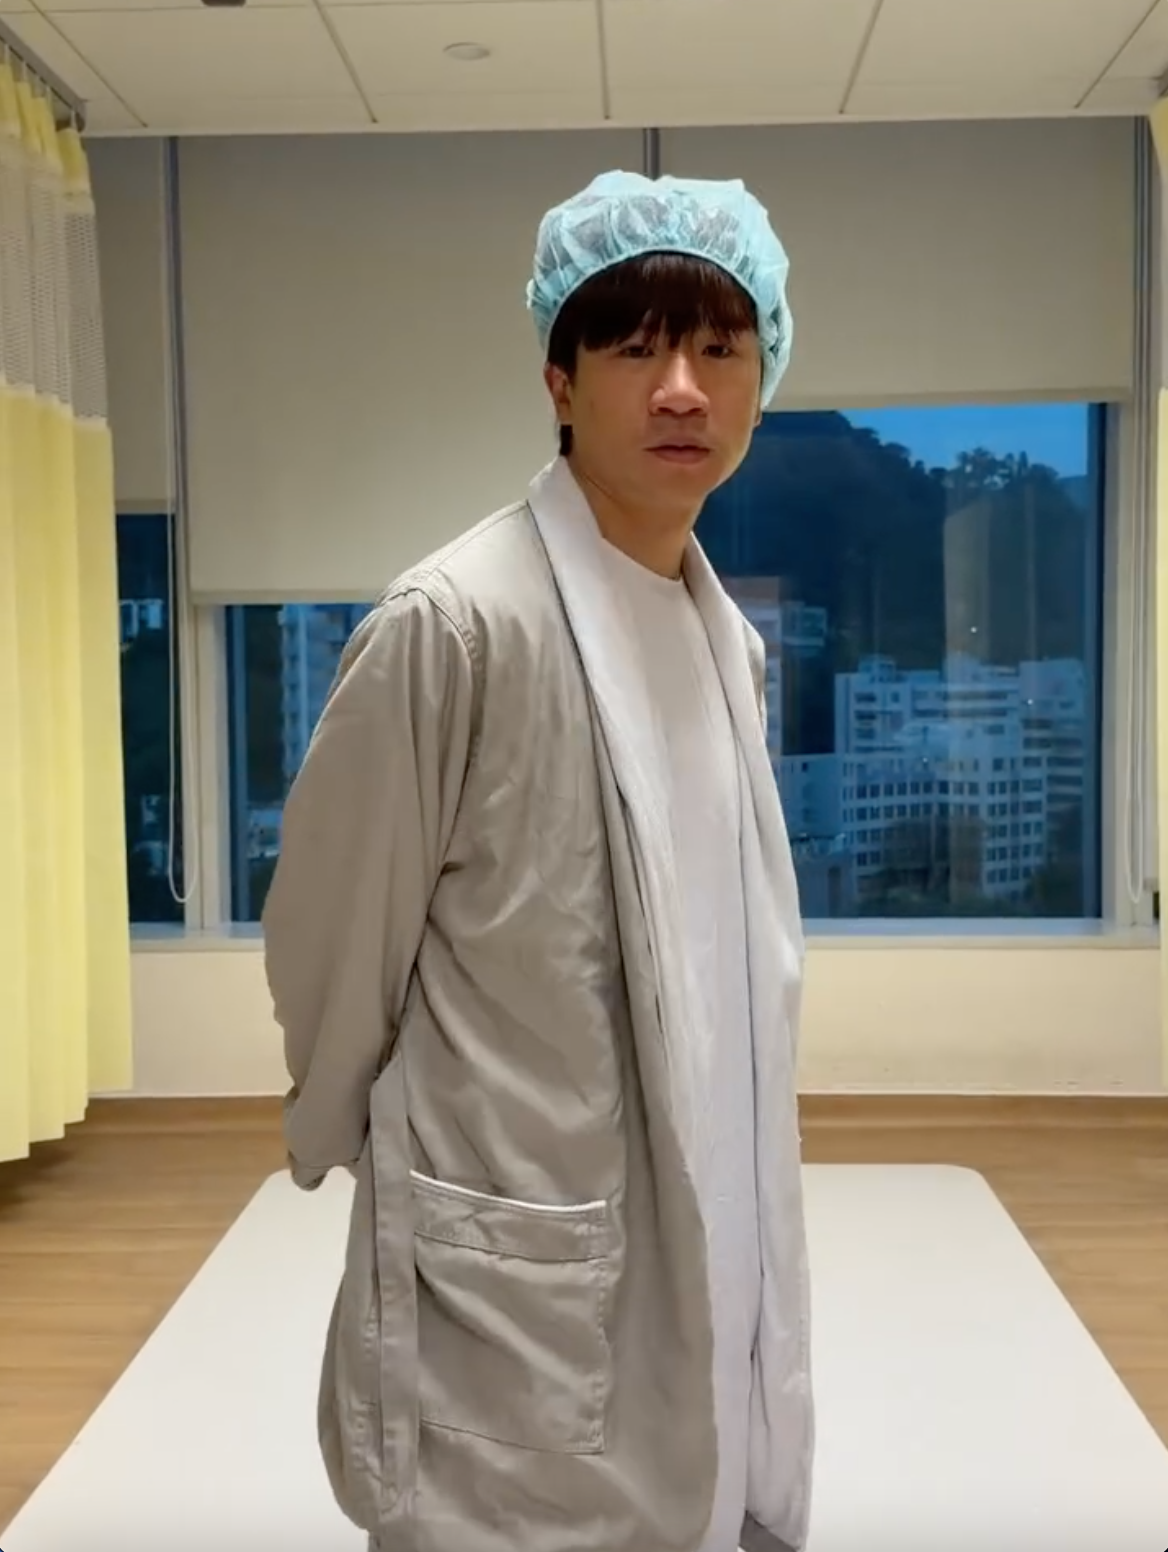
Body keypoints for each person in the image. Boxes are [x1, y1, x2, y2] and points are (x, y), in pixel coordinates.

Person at [262, 169, 814, 1552]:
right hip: (520, 1246)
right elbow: (334, 936)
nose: (681, 388)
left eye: (719, 347)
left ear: (762, 384)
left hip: (710, 1206)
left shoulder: (727, 644)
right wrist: (376, 1140)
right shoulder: (455, 627)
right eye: (634, 348)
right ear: (560, 381)